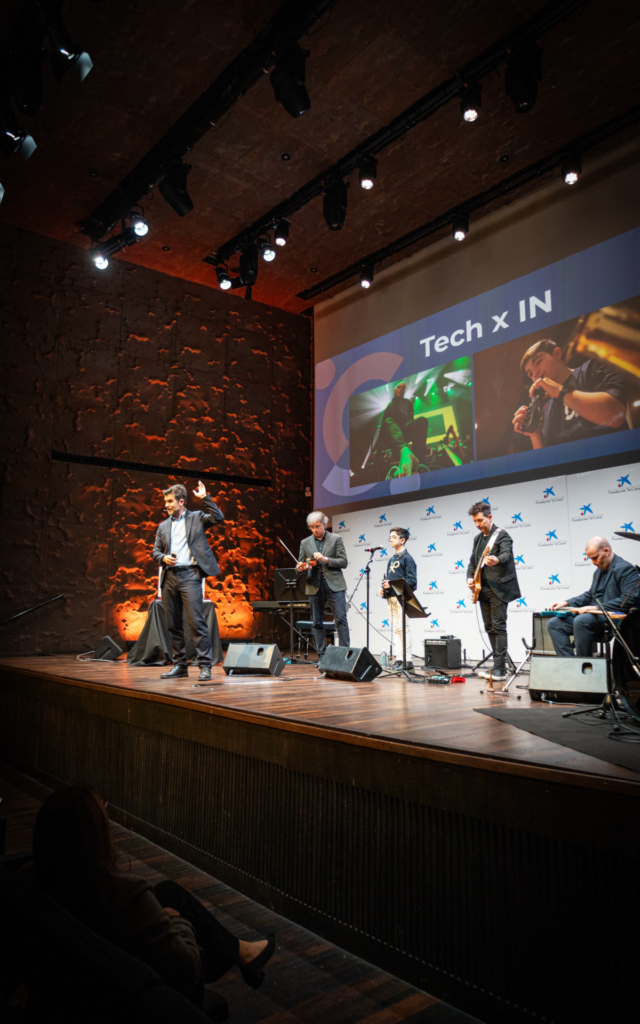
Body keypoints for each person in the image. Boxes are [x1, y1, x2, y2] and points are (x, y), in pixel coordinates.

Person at [29, 785, 275, 1002]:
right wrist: (178, 922)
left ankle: (240, 951)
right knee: (178, 909)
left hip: (85, 978)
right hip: (142, 997)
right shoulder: (125, 896)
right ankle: (240, 953)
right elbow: (188, 971)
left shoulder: (38, 881)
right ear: (94, 838)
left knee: (168, 891)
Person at [152, 481, 224, 682]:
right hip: (170, 577)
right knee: (172, 624)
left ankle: (205, 666)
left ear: (181, 501)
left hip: (191, 576)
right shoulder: (163, 526)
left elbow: (218, 517)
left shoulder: (197, 518)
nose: (166, 505)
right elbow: (155, 551)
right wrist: (163, 558)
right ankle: (180, 665)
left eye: (170, 501)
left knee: (196, 622)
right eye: (166, 501)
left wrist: (205, 498)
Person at [512, 339, 628, 449]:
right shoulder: (546, 410)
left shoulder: (590, 370)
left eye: (538, 361)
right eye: (530, 373)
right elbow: (548, 461)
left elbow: (616, 415)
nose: (535, 373)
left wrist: (560, 392)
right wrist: (535, 435)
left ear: (557, 354)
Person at [547, 537, 639, 656]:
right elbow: (590, 595)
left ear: (606, 551)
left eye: (595, 558)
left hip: (615, 616)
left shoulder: (625, 568)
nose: (593, 562)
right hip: (595, 617)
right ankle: (569, 663)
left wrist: (596, 608)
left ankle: (584, 664)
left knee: (581, 620)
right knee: (554, 623)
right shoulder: (598, 571)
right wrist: (566, 602)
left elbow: (629, 599)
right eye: (591, 559)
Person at [466, 501, 521, 682]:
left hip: (499, 589)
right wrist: (469, 577)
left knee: (498, 627)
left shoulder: (502, 535)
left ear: (490, 517)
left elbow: (506, 554)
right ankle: (498, 667)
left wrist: (496, 559)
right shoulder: (477, 539)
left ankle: (500, 669)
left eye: (480, 520)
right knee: (489, 628)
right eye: (475, 521)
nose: (477, 524)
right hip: (482, 589)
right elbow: (473, 562)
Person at [297, 511, 350, 657]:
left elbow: (343, 562)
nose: (315, 530)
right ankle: (322, 656)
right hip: (314, 585)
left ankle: (344, 656)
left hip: (334, 584)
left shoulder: (336, 539)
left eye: (317, 526)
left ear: (324, 524)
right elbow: (300, 564)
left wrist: (325, 559)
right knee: (316, 622)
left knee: (341, 619)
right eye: (312, 527)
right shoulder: (305, 543)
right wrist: (300, 568)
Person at [379, 528, 417, 670]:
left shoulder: (408, 559)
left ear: (402, 540)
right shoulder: (391, 559)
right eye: (390, 537)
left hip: (402, 598)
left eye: (394, 537)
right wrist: (383, 589)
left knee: (403, 628)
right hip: (391, 598)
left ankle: (407, 660)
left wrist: (392, 585)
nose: (391, 539)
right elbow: (389, 580)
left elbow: (412, 582)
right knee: (396, 629)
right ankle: (399, 658)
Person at [382, 382, 429, 477]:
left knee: (422, 421)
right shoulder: (389, 406)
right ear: (394, 390)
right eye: (399, 387)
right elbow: (386, 425)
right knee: (388, 421)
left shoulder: (407, 403)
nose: (401, 389)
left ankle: (420, 462)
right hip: (395, 435)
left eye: (403, 388)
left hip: (406, 430)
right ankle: (401, 451)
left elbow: (411, 419)